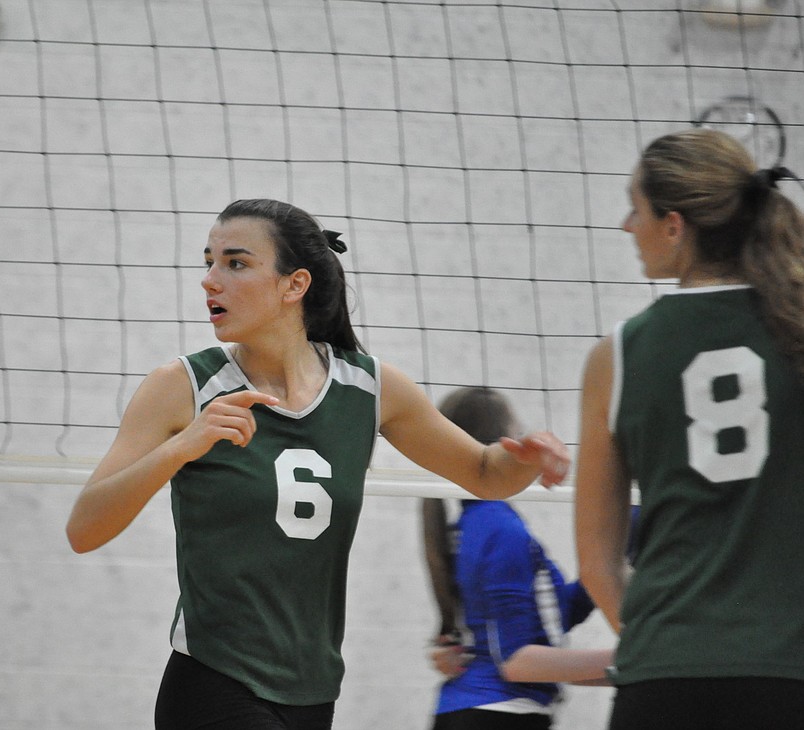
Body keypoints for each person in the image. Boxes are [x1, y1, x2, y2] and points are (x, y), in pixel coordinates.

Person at [66, 198, 571, 730]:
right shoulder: (182, 386)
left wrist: (530, 457)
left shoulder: (369, 387)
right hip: (213, 680)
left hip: (313, 691)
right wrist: (182, 447)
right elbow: (84, 528)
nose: (210, 280)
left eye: (235, 263)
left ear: (295, 284)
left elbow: (486, 475)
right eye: (208, 261)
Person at [574, 127, 804, 730]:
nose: (628, 226)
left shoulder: (615, 357)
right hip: (787, 674)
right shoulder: (797, 333)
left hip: (665, 677)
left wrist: (664, 643)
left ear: (675, 226)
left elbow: (597, 564)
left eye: (636, 208)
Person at [422, 387, 614, 730]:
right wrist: (633, 662)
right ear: (503, 446)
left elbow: (555, 617)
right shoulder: (498, 528)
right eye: (518, 433)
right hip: (497, 714)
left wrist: (614, 554)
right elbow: (517, 661)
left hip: (481, 712)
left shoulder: (474, 524)